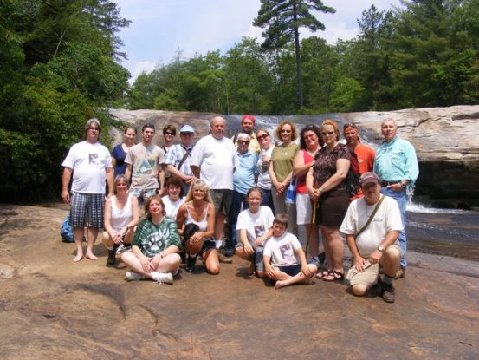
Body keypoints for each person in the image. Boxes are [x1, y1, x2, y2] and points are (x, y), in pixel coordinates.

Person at [340, 172, 403, 303]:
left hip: (383, 252)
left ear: (379, 186)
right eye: (366, 186)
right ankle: (375, 278)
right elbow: (349, 234)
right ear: (361, 189)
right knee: (358, 291)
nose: (370, 189)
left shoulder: (390, 203)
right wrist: (356, 257)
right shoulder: (354, 205)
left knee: (393, 253)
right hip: (364, 258)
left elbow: (395, 232)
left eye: (373, 185)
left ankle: (387, 284)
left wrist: (380, 250)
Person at [61, 118, 114, 262]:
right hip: (79, 191)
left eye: (96, 129)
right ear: (86, 130)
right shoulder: (77, 147)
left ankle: (89, 250)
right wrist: (65, 190)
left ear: (99, 132)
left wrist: (110, 191)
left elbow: (109, 171)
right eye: (91, 128)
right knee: (78, 223)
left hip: (98, 192)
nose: (94, 130)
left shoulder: (103, 149)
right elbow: (67, 169)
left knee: (94, 224)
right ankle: (79, 251)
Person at [373, 118, 418, 279]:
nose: (387, 129)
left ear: (396, 129)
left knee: (397, 228)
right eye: (384, 127)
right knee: (382, 226)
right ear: (381, 130)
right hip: (382, 189)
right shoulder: (381, 148)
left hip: (397, 190)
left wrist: (403, 182)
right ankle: (386, 262)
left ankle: (401, 265)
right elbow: (375, 171)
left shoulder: (405, 146)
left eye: (390, 127)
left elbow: (412, 167)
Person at [306, 119, 351, 281]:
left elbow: (341, 174)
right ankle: (330, 266)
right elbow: (311, 172)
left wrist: (320, 189)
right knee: (324, 232)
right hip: (319, 196)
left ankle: (339, 269)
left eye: (330, 133)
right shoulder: (321, 152)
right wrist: (310, 188)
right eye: (324, 133)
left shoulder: (342, 150)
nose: (327, 135)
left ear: (336, 133)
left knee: (333, 232)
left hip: (336, 195)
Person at [190, 116, 235, 263]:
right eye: (216, 126)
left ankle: (217, 247)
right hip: (211, 187)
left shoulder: (229, 143)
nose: (219, 128)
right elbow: (194, 164)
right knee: (208, 217)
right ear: (211, 127)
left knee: (221, 217)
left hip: (227, 186)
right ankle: (202, 248)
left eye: (222, 126)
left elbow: (233, 166)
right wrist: (203, 183)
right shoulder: (203, 142)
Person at [120, 195, 181, 284]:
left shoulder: (170, 223)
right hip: (145, 261)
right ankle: (156, 276)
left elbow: (175, 246)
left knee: (175, 258)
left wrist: (160, 256)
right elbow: (135, 245)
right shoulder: (143, 224)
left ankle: (140, 274)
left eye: (157, 204)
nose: (154, 206)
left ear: (163, 207)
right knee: (125, 256)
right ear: (148, 209)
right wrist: (142, 258)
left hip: (162, 261)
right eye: (152, 205)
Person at [263, 214, 317, 290]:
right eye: (276, 227)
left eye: (281, 228)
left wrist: (304, 264)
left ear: (285, 229)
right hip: (280, 266)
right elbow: (266, 256)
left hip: (294, 265)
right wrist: (267, 266)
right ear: (273, 226)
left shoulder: (290, 236)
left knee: (313, 267)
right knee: (273, 272)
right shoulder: (270, 241)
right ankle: (300, 280)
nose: (278, 230)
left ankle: (286, 282)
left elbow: (300, 252)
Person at [293, 125, 323, 265]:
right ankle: (314, 256)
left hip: (324, 192)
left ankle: (328, 256)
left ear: (318, 136)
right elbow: (297, 172)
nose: (309, 139)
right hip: (304, 193)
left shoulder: (325, 151)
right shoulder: (301, 153)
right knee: (310, 227)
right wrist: (313, 163)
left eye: (311, 135)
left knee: (326, 227)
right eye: (306, 137)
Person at [225, 133, 259, 257]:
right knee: (233, 218)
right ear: (237, 142)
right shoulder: (232, 154)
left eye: (246, 142)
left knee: (249, 218)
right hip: (234, 189)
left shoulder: (254, 155)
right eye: (241, 142)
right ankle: (233, 244)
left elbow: (256, 172)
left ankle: (248, 244)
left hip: (249, 191)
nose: (243, 144)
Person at [176, 179, 220, 274]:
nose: (198, 192)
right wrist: (187, 233)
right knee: (196, 238)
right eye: (196, 190)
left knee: (214, 269)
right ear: (192, 191)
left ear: (205, 193)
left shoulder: (210, 207)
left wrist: (201, 234)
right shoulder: (184, 208)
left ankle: (204, 257)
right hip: (189, 242)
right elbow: (176, 229)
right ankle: (192, 258)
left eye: (201, 190)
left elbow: (211, 232)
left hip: (207, 241)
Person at [235, 187, 275, 277]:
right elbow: (242, 232)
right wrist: (246, 243)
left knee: (261, 274)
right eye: (252, 198)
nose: (254, 201)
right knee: (239, 249)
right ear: (247, 199)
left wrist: (263, 238)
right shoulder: (242, 215)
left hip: (267, 245)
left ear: (261, 200)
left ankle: (264, 263)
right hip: (253, 246)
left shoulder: (267, 210)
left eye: (257, 199)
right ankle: (254, 261)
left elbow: (272, 229)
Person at [269, 120, 299, 235]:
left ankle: (292, 243)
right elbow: (271, 168)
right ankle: (280, 242)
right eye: (283, 131)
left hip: (290, 187)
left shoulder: (296, 147)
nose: (285, 133)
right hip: (276, 188)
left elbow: (295, 168)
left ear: (292, 133)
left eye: (288, 131)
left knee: (291, 217)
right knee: (279, 216)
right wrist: (276, 184)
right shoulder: (276, 148)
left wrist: (284, 183)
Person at [103, 175, 140, 266]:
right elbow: (106, 223)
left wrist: (125, 228)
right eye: (118, 184)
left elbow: (136, 219)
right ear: (115, 186)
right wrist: (113, 234)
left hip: (127, 231)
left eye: (124, 184)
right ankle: (111, 252)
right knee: (105, 236)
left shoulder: (133, 199)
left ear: (127, 186)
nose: (121, 186)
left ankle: (128, 247)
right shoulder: (109, 201)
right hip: (114, 232)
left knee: (134, 229)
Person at [125, 123, 165, 203]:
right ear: (142, 133)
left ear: (154, 134)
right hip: (136, 187)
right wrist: (126, 186)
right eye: (147, 132)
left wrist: (162, 188)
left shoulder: (159, 151)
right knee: (134, 212)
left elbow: (161, 171)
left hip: (152, 187)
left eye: (151, 132)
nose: (149, 134)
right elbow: (129, 169)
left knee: (150, 212)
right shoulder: (132, 150)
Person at [343, 122, 375, 200]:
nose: (350, 135)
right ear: (344, 135)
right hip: (344, 194)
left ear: (357, 133)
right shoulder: (341, 151)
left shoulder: (369, 151)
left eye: (352, 133)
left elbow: (374, 172)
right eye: (347, 133)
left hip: (363, 194)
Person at [164, 124, 196, 195]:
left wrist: (195, 178)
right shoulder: (174, 148)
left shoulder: (198, 149)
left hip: (194, 184)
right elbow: (169, 167)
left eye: (189, 134)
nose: (187, 136)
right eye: (184, 134)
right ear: (180, 136)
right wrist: (185, 177)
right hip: (179, 184)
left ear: (193, 135)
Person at [255, 128, 275, 213]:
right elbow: (259, 171)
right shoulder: (261, 152)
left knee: (274, 213)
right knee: (264, 213)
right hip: (262, 188)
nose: (261, 138)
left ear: (269, 136)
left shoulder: (276, 150)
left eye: (264, 136)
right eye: (259, 137)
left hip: (273, 188)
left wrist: (270, 160)